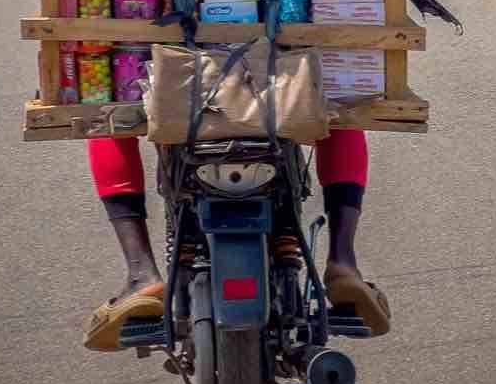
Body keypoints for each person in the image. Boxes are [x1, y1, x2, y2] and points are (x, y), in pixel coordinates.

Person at [82, 129, 389, 351]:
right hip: (276, 73)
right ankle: (343, 262)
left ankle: (141, 273)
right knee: (343, 102)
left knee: (109, 116)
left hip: (180, 74)